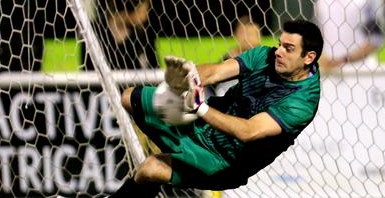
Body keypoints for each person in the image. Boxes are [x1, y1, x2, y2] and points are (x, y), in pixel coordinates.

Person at [108, 19, 323, 197]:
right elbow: (216, 72)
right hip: (201, 123)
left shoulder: (303, 101)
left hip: (222, 161)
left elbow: (247, 131)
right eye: (280, 44)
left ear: (309, 57)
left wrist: (200, 108)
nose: (279, 52)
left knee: (150, 169)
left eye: (289, 48)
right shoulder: (264, 56)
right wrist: (191, 77)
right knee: (129, 97)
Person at [81, 0, 159, 70]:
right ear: (126, 10)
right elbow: (88, 69)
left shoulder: (142, 35)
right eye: (142, 12)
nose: (145, 17)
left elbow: (154, 69)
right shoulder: (95, 31)